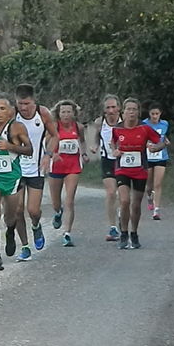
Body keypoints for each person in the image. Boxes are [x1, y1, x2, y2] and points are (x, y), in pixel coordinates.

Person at [0, 93, 33, 271]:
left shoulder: (16, 127)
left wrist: (10, 147)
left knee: (11, 216)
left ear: (10, 111)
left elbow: (29, 150)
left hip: (12, 179)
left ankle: (10, 232)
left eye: (3, 108)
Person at [13, 84, 59, 261]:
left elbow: (55, 136)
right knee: (17, 210)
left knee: (33, 210)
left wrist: (48, 155)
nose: (23, 108)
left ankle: (36, 225)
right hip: (16, 168)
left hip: (36, 168)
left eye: (27, 103)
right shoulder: (11, 114)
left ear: (33, 101)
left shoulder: (43, 113)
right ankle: (24, 246)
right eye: (20, 104)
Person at [111, 98, 164, 249]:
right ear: (123, 112)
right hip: (122, 169)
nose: (131, 112)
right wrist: (115, 150)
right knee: (125, 201)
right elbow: (113, 141)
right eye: (128, 109)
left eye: (134, 109)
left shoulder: (144, 128)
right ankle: (124, 233)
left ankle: (134, 233)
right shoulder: (117, 128)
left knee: (135, 204)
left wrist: (156, 148)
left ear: (138, 112)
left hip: (140, 170)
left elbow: (160, 141)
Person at [43, 100, 89, 247]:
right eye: (63, 112)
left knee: (69, 200)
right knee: (56, 202)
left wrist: (84, 154)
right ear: (58, 113)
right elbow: (45, 143)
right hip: (56, 166)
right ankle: (58, 212)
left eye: (69, 111)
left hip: (73, 167)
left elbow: (81, 142)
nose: (66, 114)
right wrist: (52, 154)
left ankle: (67, 233)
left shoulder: (79, 127)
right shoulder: (54, 126)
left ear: (74, 113)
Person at [89, 94, 123, 241]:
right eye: (108, 107)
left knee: (123, 195)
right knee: (110, 193)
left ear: (119, 108)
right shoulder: (99, 122)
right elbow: (97, 136)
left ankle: (122, 215)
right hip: (107, 160)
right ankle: (112, 227)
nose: (111, 110)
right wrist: (95, 146)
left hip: (124, 162)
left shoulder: (125, 122)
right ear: (104, 110)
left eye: (113, 107)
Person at [143, 102, 171, 220]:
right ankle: (149, 196)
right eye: (153, 114)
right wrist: (147, 144)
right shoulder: (144, 124)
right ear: (149, 114)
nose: (155, 116)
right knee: (149, 185)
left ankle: (156, 210)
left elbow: (164, 137)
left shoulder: (165, 124)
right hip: (148, 157)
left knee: (158, 184)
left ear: (160, 114)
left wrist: (166, 142)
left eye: (157, 114)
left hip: (161, 156)